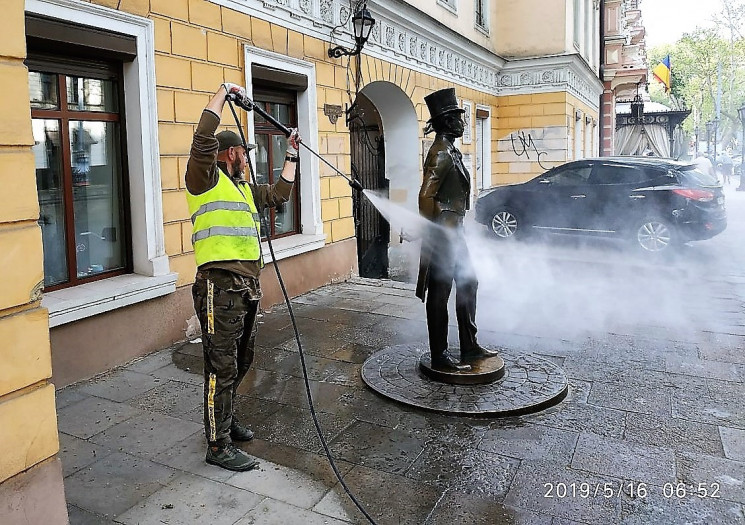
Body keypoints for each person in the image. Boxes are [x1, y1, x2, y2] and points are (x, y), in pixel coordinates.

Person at [185, 83, 302, 471]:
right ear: (233, 154)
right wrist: (222, 93)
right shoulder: (205, 180)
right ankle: (217, 446)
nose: (248, 161)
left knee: (241, 359)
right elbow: (202, 138)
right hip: (219, 288)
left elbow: (280, 195)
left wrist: (292, 155)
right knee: (221, 366)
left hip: (246, 288)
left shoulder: (243, 189)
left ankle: (227, 421)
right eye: (245, 155)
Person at [416, 87, 497, 372]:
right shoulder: (440, 153)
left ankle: (469, 345)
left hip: (455, 232)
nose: (462, 122)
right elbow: (426, 196)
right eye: (457, 117)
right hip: (444, 235)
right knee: (440, 293)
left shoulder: (451, 150)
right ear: (446, 121)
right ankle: (439, 355)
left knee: (468, 282)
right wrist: (435, 230)